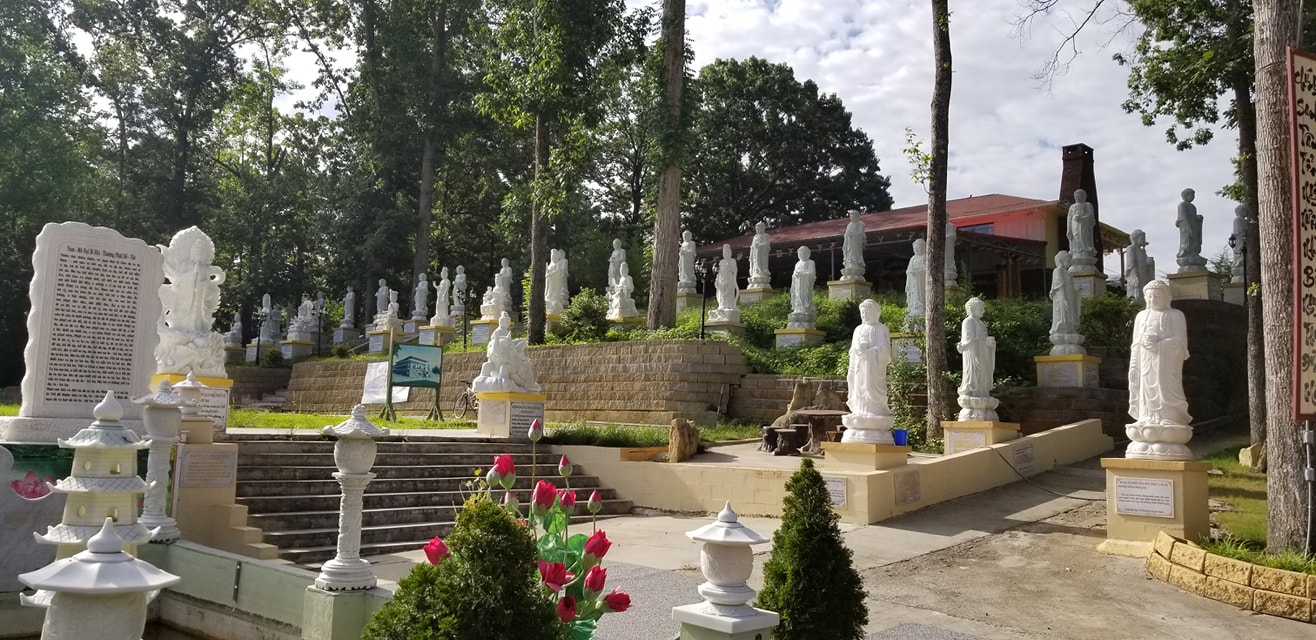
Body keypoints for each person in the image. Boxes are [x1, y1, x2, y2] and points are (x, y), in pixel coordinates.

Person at [1128, 280, 1190, 426]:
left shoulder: (1175, 315)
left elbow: (1181, 343)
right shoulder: (1141, 316)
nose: (1153, 299)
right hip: (1145, 362)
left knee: (1164, 388)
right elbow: (1135, 344)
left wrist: (1160, 345)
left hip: (1166, 364)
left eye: (1157, 296)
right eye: (1149, 296)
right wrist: (1134, 365)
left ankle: (1169, 417)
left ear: (1167, 298)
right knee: (1146, 389)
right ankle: (1146, 416)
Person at [846, 299, 892, 417]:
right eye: (863, 313)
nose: (865, 315)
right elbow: (852, 350)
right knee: (857, 388)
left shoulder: (881, 328)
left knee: (872, 391)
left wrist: (869, 351)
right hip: (859, 367)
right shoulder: (858, 329)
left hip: (873, 370)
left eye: (867, 313)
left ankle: (875, 410)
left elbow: (885, 350)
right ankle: (859, 410)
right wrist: (858, 349)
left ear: (875, 313)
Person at [957, 297, 995, 400]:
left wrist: (989, 343)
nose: (983, 311)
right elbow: (968, 340)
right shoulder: (968, 321)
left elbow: (983, 338)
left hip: (982, 353)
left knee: (983, 373)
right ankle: (972, 392)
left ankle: (982, 392)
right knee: (973, 374)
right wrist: (983, 340)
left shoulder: (981, 324)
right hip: (973, 354)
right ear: (973, 309)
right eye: (980, 308)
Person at [1050, 251, 1080, 336]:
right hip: (1061, 297)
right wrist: (1063, 298)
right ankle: (1062, 330)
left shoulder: (1067, 273)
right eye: (1068, 260)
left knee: (1070, 316)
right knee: (1063, 315)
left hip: (1069, 297)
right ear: (1062, 260)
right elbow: (1059, 286)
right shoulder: (1058, 270)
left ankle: (1070, 330)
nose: (1069, 263)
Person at [1124, 230, 1155, 301]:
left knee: (1144, 294)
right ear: (1135, 238)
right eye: (1142, 238)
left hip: (1144, 275)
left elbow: (1145, 262)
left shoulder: (1142, 251)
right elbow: (1131, 264)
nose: (1144, 240)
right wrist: (1135, 276)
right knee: (1136, 295)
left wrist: (1149, 262)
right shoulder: (1131, 248)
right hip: (1135, 275)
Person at [1067, 189, 1096, 261]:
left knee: (1084, 237)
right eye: (1076, 196)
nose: (1078, 197)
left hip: (1084, 226)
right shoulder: (1072, 207)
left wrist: (1082, 218)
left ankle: (1085, 250)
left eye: (1079, 196)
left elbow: (1090, 216)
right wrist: (1069, 230)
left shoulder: (1088, 205)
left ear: (1084, 196)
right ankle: (1075, 251)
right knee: (1076, 239)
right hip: (1074, 226)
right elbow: (1069, 219)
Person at [789, 246, 816, 317]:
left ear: (807, 253)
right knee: (797, 295)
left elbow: (811, 273)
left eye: (804, 253)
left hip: (805, 285)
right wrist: (796, 275)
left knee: (805, 296)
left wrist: (801, 274)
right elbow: (794, 275)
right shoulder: (797, 264)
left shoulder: (811, 262)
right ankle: (797, 309)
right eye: (800, 253)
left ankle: (805, 309)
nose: (802, 255)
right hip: (797, 284)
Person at [1176, 188, 1203, 260]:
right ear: (1185, 195)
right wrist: (1189, 226)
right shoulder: (1182, 205)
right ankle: (1186, 252)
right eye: (1191, 195)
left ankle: (1194, 252)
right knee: (1187, 239)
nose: (1193, 197)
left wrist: (1198, 218)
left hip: (1194, 225)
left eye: (1194, 195)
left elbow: (1193, 216)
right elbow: (1184, 216)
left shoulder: (1193, 207)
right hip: (1186, 227)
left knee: (1195, 239)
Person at [905, 239, 927, 320]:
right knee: (913, 296)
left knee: (921, 296)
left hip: (921, 282)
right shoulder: (913, 258)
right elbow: (908, 270)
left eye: (918, 248)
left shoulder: (925, 257)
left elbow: (927, 270)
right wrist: (910, 272)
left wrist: (918, 273)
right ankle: (912, 311)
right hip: (913, 282)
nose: (917, 250)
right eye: (915, 249)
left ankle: (922, 310)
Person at [714, 244, 738, 313]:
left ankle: (729, 305)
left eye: (727, 252)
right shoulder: (721, 262)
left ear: (730, 252)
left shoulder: (733, 261)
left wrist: (729, 267)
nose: (726, 253)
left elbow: (735, 270)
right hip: (722, 278)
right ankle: (722, 305)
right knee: (721, 292)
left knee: (729, 292)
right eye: (724, 252)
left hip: (729, 278)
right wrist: (717, 279)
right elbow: (719, 271)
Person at [842, 210, 865, 275]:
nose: (852, 218)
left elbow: (861, 234)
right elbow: (846, 234)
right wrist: (847, 235)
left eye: (853, 216)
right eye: (851, 216)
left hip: (856, 243)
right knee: (849, 253)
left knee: (855, 253)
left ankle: (856, 264)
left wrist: (853, 233)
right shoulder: (849, 225)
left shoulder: (861, 224)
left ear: (857, 216)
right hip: (849, 243)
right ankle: (849, 264)